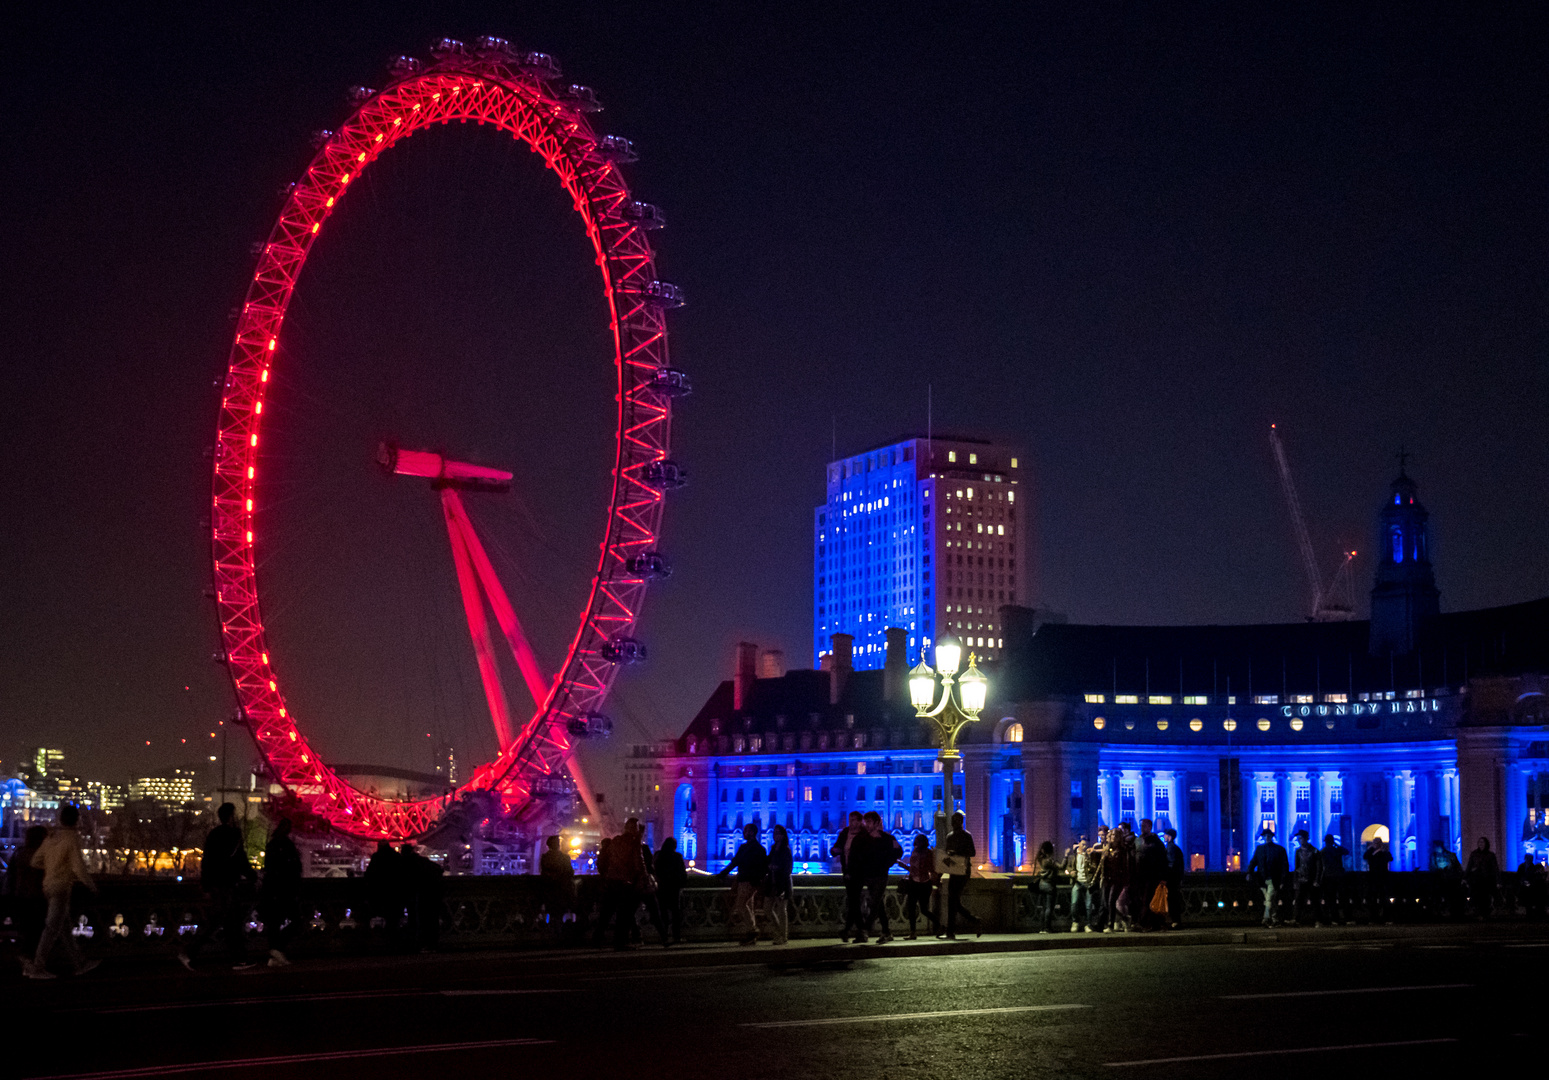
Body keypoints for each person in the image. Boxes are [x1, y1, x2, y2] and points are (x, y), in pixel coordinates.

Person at [180, 802, 256, 970]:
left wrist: (206, 885)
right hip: (228, 885)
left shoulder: (213, 834)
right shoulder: (234, 835)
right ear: (231, 816)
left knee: (227, 922)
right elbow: (240, 860)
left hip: (217, 884)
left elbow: (207, 862)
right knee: (224, 923)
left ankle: (239, 959)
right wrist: (253, 876)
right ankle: (189, 952)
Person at [26, 805, 98, 979]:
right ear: (76, 820)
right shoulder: (71, 840)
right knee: (52, 929)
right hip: (61, 888)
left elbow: (35, 862)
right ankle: (37, 967)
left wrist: (51, 867)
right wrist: (91, 886)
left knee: (64, 929)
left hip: (47, 886)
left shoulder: (50, 838)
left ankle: (79, 963)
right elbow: (79, 868)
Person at [259, 818, 302, 967]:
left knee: (274, 924)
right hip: (285, 890)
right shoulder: (287, 846)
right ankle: (277, 950)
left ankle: (275, 952)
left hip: (273, 891)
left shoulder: (272, 845)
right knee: (296, 921)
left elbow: (270, 869)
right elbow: (295, 868)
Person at [4, 825, 48, 967]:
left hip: (19, 896)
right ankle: (31, 962)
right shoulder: (41, 855)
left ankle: (27, 961)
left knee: (26, 929)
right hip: (36, 897)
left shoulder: (19, 853)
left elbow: (10, 876)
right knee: (35, 930)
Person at [717, 823, 767, 945]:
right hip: (749, 881)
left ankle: (753, 930)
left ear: (752, 833)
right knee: (748, 906)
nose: (744, 833)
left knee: (741, 905)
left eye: (746, 831)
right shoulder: (758, 849)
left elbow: (736, 862)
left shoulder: (748, 848)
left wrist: (723, 873)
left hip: (747, 881)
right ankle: (751, 936)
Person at [858, 812, 902, 943]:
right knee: (879, 904)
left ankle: (866, 928)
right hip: (869, 875)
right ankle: (886, 932)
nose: (867, 825)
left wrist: (887, 864)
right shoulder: (865, 839)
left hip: (881, 875)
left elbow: (899, 852)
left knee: (875, 901)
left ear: (876, 823)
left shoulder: (888, 838)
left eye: (869, 822)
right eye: (866, 822)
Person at [939, 812, 981, 939]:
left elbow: (972, 852)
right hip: (955, 870)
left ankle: (952, 930)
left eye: (955, 820)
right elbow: (947, 853)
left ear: (960, 822)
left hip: (962, 871)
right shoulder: (950, 836)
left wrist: (956, 852)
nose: (953, 823)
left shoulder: (965, 836)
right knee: (953, 901)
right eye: (952, 820)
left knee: (953, 901)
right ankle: (972, 921)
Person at [399, 843, 445, 951]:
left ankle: (417, 943)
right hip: (431, 892)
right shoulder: (423, 861)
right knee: (430, 919)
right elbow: (438, 869)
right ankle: (431, 943)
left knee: (416, 919)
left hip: (418, 894)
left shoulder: (406, 863)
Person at [830, 811, 866, 943]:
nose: (852, 823)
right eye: (851, 820)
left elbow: (862, 857)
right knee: (853, 902)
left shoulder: (863, 835)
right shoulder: (845, 833)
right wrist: (834, 851)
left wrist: (853, 870)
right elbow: (836, 847)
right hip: (846, 872)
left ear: (860, 821)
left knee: (854, 901)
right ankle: (848, 931)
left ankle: (861, 931)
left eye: (855, 820)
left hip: (858, 873)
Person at [1246, 827, 1289, 928]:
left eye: (1268, 836)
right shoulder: (1277, 849)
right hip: (1263, 879)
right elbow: (1253, 862)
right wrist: (1249, 872)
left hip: (1272, 879)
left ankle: (1265, 919)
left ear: (1271, 837)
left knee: (1269, 899)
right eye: (1265, 836)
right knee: (1271, 900)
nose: (1267, 838)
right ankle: (1274, 919)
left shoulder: (1274, 849)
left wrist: (1249, 873)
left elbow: (1284, 866)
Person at [900, 834, 940, 939]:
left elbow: (917, 869)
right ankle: (937, 925)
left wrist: (904, 866)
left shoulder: (919, 852)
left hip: (918, 883)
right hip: (922, 883)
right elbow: (927, 869)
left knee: (916, 908)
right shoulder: (927, 852)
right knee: (919, 909)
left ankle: (914, 932)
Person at [364, 839, 403, 944]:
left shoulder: (377, 857)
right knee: (393, 919)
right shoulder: (396, 857)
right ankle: (394, 940)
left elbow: (369, 874)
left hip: (380, 892)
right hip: (395, 893)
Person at [1134, 819, 1168, 931]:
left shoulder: (1156, 842)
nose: (1141, 828)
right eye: (1141, 826)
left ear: (1150, 827)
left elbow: (1163, 860)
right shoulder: (1138, 840)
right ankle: (1152, 924)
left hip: (1152, 875)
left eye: (1144, 826)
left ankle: (1145, 924)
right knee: (1141, 900)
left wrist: (1162, 877)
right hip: (1139, 875)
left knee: (1147, 900)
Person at [1100, 822, 1134, 932]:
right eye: (1110, 835)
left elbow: (1125, 866)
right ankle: (1124, 918)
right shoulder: (1106, 849)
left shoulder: (1122, 850)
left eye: (1114, 835)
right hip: (1107, 878)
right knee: (1106, 903)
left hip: (1117, 879)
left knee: (1111, 900)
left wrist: (1125, 880)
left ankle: (1110, 925)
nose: (1111, 837)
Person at [539, 835, 576, 934]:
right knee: (560, 911)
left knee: (551, 911)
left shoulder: (545, 858)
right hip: (562, 889)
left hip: (550, 889)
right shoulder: (564, 858)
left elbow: (543, 873)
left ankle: (552, 931)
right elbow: (570, 872)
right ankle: (558, 931)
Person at [764, 824, 794, 945]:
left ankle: (783, 936)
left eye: (778, 833)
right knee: (767, 909)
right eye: (774, 833)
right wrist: (769, 866)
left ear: (783, 835)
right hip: (771, 882)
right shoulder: (773, 848)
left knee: (782, 911)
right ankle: (778, 932)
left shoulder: (786, 850)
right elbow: (767, 862)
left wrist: (777, 868)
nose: (775, 835)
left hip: (782, 883)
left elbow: (788, 868)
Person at [655, 837, 688, 945]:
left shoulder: (658, 855)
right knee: (676, 913)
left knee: (663, 912)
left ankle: (664, 936)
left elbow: (656, 871)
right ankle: (676, 936)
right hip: (674, 888)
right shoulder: (677, 856)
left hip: (662, 887)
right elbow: (682, 873)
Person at [1029, 840, 1063, 933]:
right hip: (1049, 885)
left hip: (1041, 885)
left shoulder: (1040, 859)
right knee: (1049, 907)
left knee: (1044, 907)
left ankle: (1042, 928)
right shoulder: (1048, 861)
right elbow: (1061, 867)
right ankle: (1047, 927)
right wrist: (1066, 856)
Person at [1289, 830, 1322, 926]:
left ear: (1306, 838)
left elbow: (1319, 867)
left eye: (1301, 838)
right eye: (1299, 838)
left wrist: (1317, 880)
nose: (1300, 840)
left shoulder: (1314, 851)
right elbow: (1297, 866)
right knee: (1299, 900)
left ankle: (1318, 920)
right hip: (1301, 878)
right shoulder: (1298, 851)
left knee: (1315, 901)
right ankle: (1296, 919)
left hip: (1311, 879)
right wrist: (1295, 880)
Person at [1429, 839, 1465, 920]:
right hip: (1439, 881)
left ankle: (1449, 912)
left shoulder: (1450, 855)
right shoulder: (1433, 856)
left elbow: (1458, 868)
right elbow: (1432, 868)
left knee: (1450, 898)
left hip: (1451, 881)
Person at [1065, 836, 1095, 932]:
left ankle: (1088, 924)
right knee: (1074, 903)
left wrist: (1090, 864)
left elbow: (1094, 867)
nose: (1085, 846)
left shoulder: (1090, 855)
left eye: (1086, 844)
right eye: (1083, 844)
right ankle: (1075, 922)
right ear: (1079, 844)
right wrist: (1071, 872)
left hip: (1088, 882)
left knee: (1089, 905)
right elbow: (1068, 867)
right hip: (1077, 882)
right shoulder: (1073, 855)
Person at [1318, 834, 1349, 924]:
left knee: (1330, 899)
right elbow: (1346, 851)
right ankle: (1344, 917)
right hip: (1339, 876)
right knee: (1342, 898)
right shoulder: (1337, 849)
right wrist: (1336, 845)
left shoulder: (1323, 851)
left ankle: (1333, 917)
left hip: (1328, 877)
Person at [1465, 837, 1499, 919]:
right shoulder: (1474, 854)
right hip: (1476, 879)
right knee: (1476, 896)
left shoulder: (1490, 855)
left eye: (1483, 842)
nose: (1481, 844)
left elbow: (1495, 868)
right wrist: (1465, 877)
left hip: (1487, 879)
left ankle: (1485, 913)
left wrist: (1498, 881)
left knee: (1485, 897)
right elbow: (1469, 866)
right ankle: (1477, 912)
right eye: (1479, 842)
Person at [1364, 835, 1393, 923]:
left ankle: (1383, 917)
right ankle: (1374, 917)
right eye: (1375, 843)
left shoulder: (1384, 852)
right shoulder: (1372, 851)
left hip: (1381, 878)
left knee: (1383, 899)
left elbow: (1390, 858)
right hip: (1374, 878)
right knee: (1374, 899)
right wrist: (1371, 850)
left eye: (1377, 843)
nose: (1376, 844)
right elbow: (1365, 857)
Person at [1161, 827, 1185, 929]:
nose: (1164, 837)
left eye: (1165, 835)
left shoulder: (1170, 848)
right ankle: (1175, 921)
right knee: (1174, 900)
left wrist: (1166, 878)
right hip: (1176, 879)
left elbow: (1171, 864)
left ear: (1169, 837)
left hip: (1172, 880)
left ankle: (1175, 921)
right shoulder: (1175, 848)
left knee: (1172, 900)